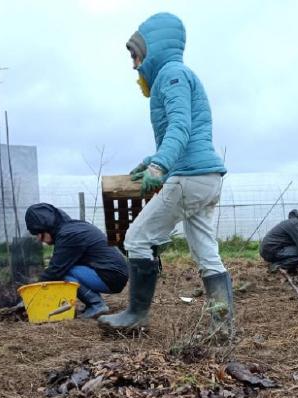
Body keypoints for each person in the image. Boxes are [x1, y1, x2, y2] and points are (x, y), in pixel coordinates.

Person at [98, 12, 233, 334]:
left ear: (152, 48)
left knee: (137, 239)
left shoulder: (171, 75)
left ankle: (136, 315)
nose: (133, 65)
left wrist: (160, 165)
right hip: (207, 177)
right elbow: (191, 132)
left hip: (189, 177)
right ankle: (223, 326)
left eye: (135, 55)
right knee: (206, 252)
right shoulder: (179, 75)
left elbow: (180, 126)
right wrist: (152, 159)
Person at [25, 203, 128, 319]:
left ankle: (96, 304)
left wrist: (31, 295)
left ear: (47, 227)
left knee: (63, 272)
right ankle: (92, 304)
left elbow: (55, 270)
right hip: (114, 273)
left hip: (111, 275)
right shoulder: (72, 228)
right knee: (64, 269)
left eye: (38, 233)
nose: (38, 239)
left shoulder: (68, 235)